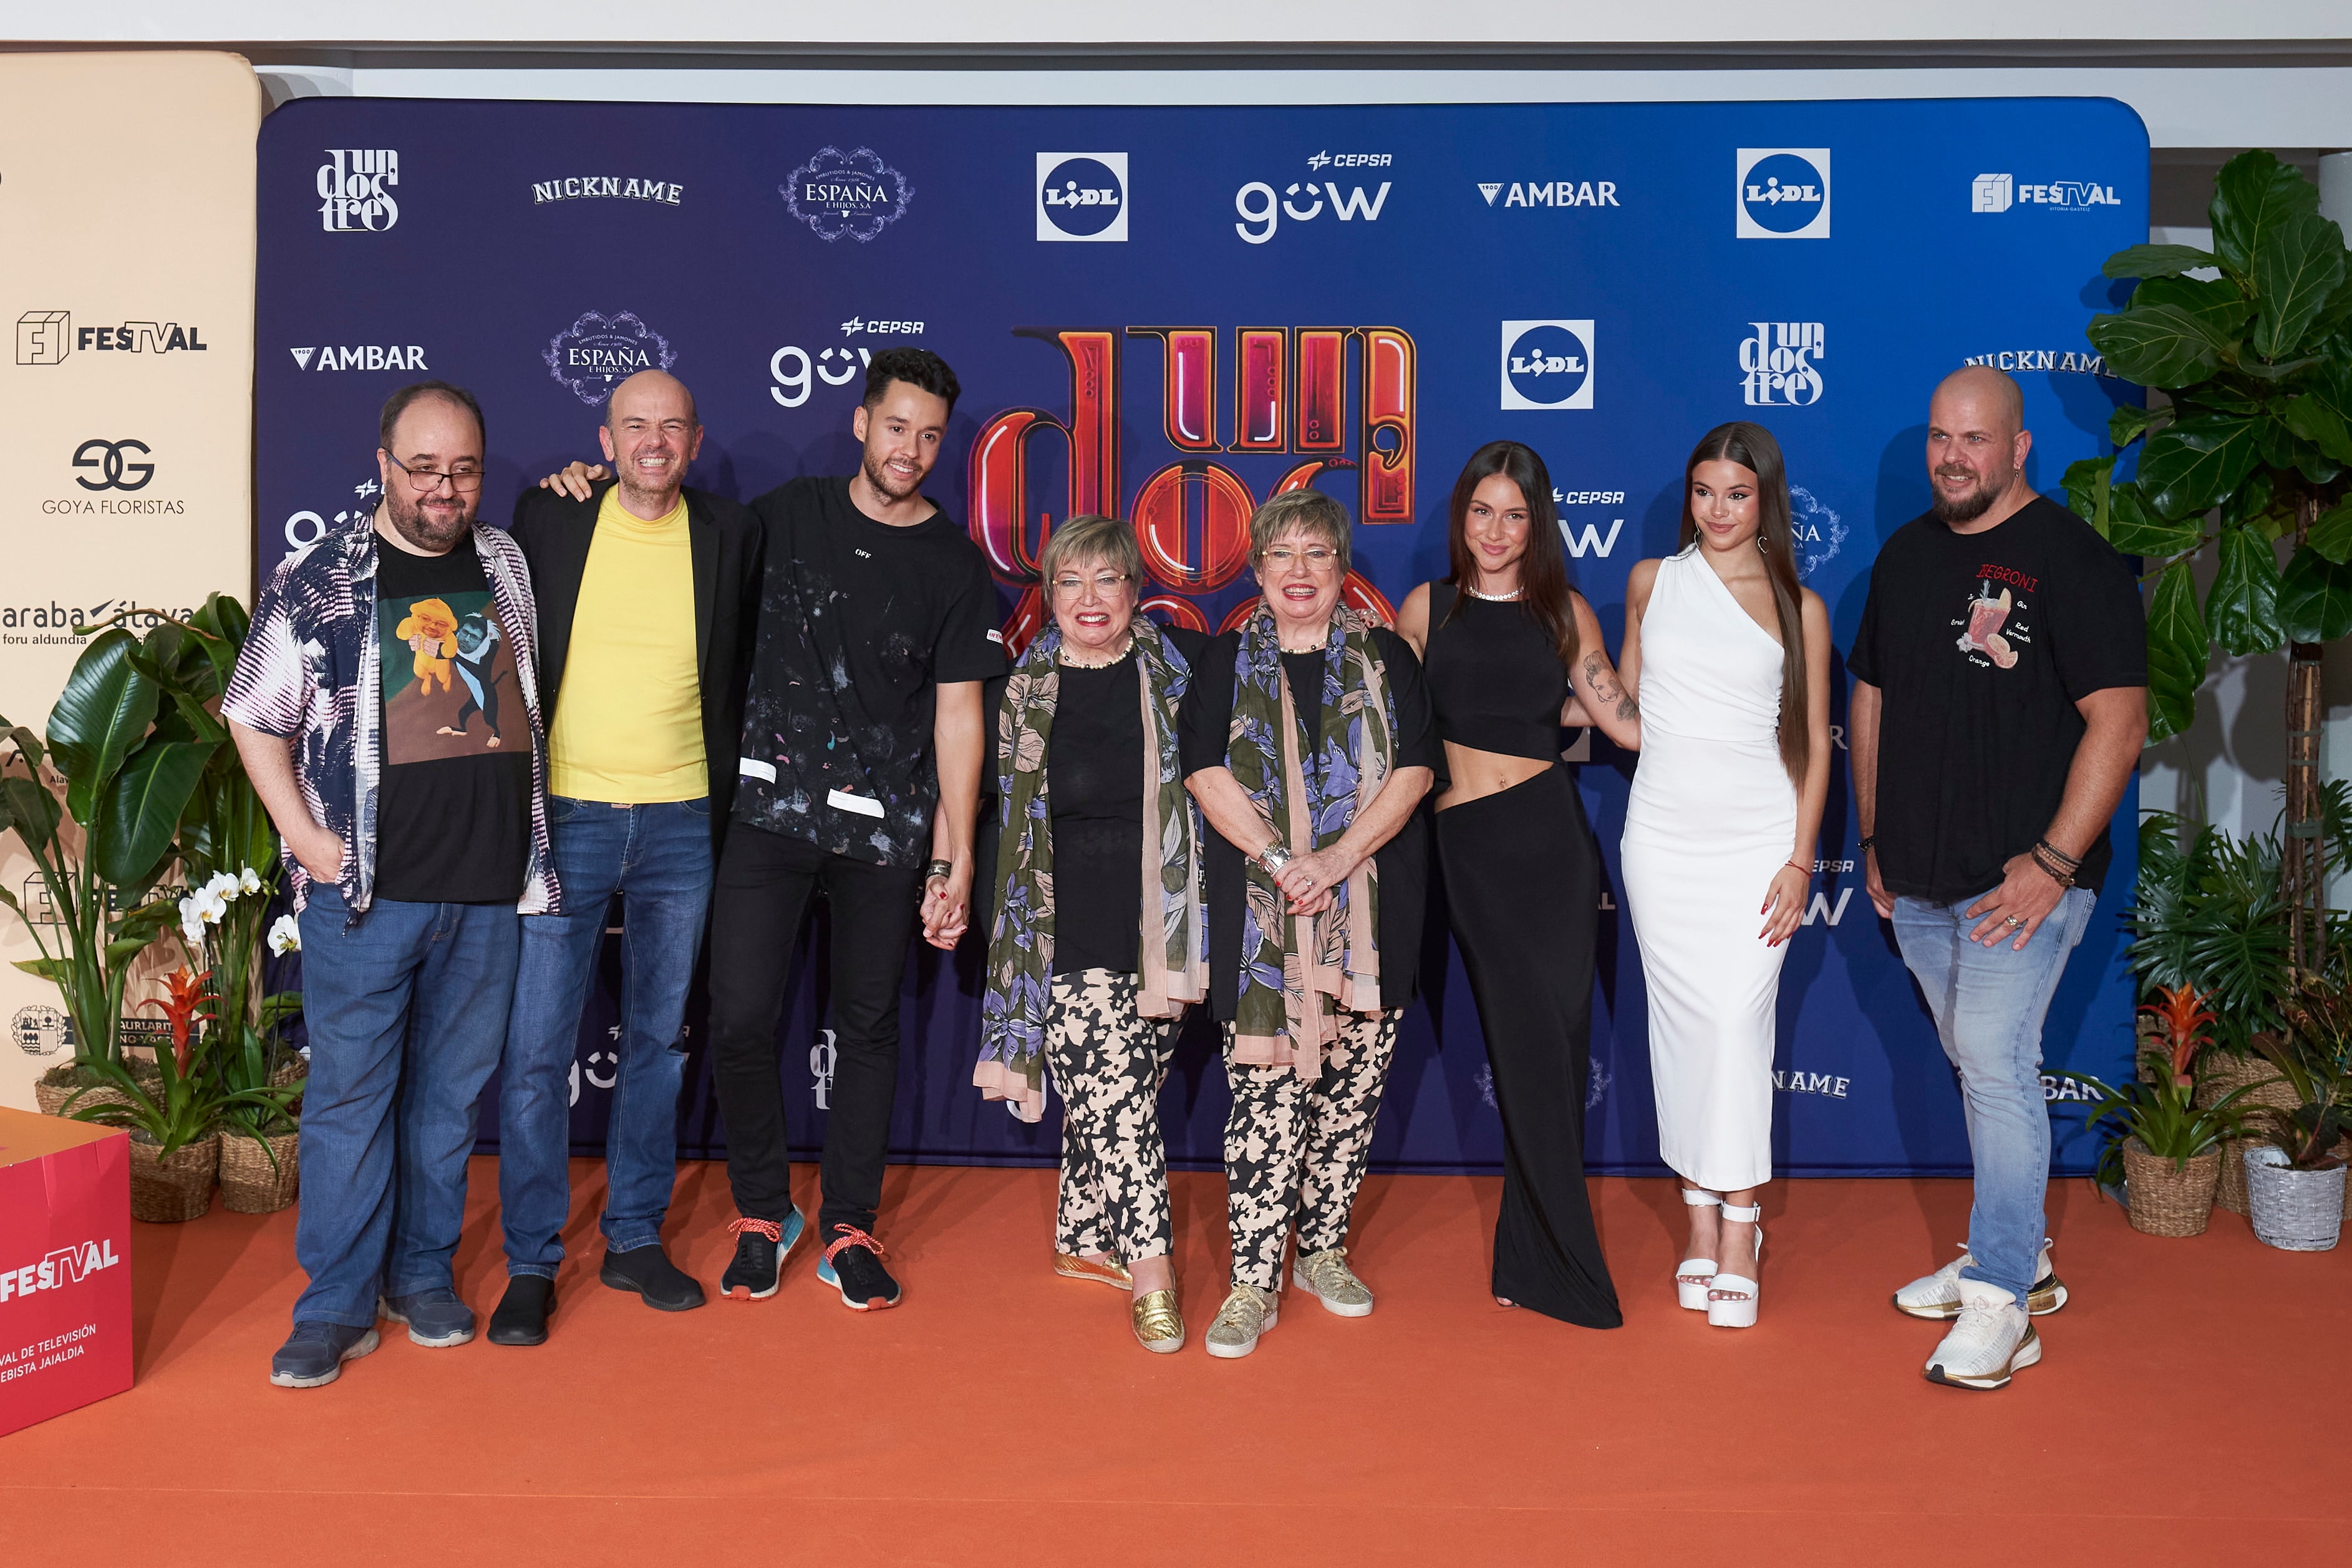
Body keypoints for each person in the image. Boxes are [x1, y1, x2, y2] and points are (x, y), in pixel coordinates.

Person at [225, 381, 559, 1388]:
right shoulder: (322, 573)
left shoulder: (503, 559)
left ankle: (421, 1273)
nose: (443, 489)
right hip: (366, 895)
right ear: (384, 465)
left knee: (450, 1102)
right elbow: (253, 713)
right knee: (348, 1101)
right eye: (424, 469)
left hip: (489, 891)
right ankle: (333, 1302)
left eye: (462, 469)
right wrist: (308, 842)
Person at [1852, 366, 2146, 1389]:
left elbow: (2121, 721)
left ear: (2019, 448)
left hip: (2026, 881)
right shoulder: (1905, 556)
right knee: (1977, 1058)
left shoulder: (2078, 560)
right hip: (1920, 877)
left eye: (1975, 439)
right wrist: (1876, 837)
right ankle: (2023, 1249)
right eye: (1940, 437)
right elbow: (1872, 698)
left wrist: (2056, 863)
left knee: (1993, 1056)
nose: (1953, 457)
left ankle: (2001, 1300)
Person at [486, 370, 763, 1346]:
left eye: (671, 426)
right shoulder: (547, 518)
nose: (653, 441)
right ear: (603, 442)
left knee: (657, 1041)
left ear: (694, 439)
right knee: (534, 1053)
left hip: (687, 820)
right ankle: (530, 1259)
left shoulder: (732, 534)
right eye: (634, 426)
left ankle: (636, 1235)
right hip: (566, 815)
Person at [1180, 488, 1436, 1359]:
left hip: (1367, 914)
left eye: (1316, 555)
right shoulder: (1221, 663)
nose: (1298, 572)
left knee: (1350, 1102)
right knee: (1262, 1108)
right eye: (1281, 555)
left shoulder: (1389, 660)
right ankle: (1252, 1278)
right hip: (1261, 924)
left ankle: (1322, 1250)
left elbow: (1415, 773)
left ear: (1341, 570)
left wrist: (1331, 862)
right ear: (1257, 572)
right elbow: (1204, 772)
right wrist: (1282, 862)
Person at [1396, 441, 1633, 1330]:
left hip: (1549, 847)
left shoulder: (1565, 613)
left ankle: (1551, 1263)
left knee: (1554, 1056)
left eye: (1516, 515)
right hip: (1468, 849)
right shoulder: (1430, 608)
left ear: (1539, 525)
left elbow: (1620, 721)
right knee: (1518, 1048)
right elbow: (1393, 721)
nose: (1496, 531)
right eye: (1482, 512)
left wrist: (1648, 627)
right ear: (1462, 518)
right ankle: (1539, 1254)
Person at [974, 515, 1210, 1353]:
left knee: (1123, 1095)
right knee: (1116, 1092)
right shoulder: (1023, 695)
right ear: (1048, 596)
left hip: (1164, 924)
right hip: (1060, 928)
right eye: (1069, 582)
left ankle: (1083, 1232)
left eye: (1106, 579)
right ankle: (1153, 1277)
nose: (1089, 599)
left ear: (1134, 591)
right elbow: (1006, 820)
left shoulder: (1179, 678)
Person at [1615, 423, 1831, 1329]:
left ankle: (1742, 1226)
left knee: (1738, 1024)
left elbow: (1816, 743)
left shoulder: (1800, 606)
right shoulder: (1651, 583)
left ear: (1765, 499)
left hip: (1756, 840)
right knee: (1683, 1029)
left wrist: (1799, 858)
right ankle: (1698, 1218)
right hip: (1661, 837)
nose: (1718, 510)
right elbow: (1627, 715)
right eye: (1704, 491)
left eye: (1736, 494)